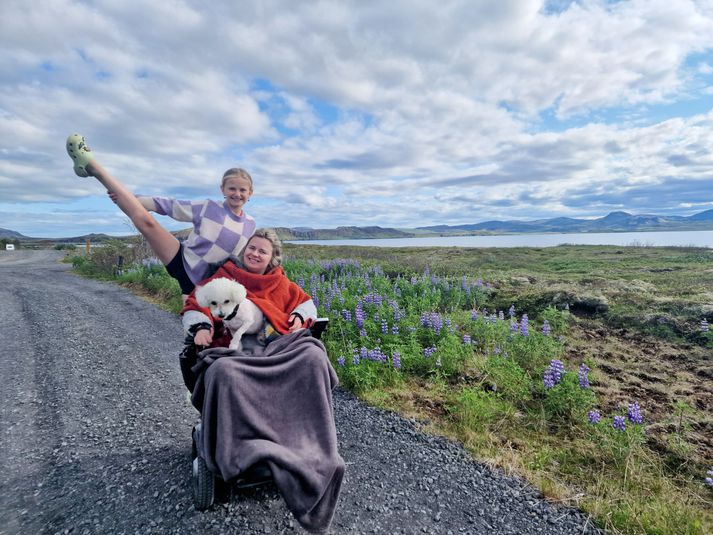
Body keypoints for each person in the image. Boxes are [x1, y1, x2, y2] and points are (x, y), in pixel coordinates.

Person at [66, 134, 257, 299]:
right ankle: (92, 166)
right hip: (182, 260)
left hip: (209, 286)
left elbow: (244, 261)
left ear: (250, 193)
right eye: (232, 188)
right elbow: (171, 206)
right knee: (146, 223)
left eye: (242, 190)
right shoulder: (209, 207)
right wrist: (133, 200)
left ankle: (118, 193)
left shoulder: (250, 225)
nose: (237, 194)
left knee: (199, 334)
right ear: (222, 189)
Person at [181, 228, 317, 348]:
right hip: (231, 344)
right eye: (251, 248)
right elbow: (195, 304)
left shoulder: (278, 281)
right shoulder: (226, 274)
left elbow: (305, 302)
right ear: (244, 249)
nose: (255, 254)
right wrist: (201, 327)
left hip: (276, 344)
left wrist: (299, 315)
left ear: (272, 258)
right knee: (223, 369)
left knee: (313, 353)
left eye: (262, 251)